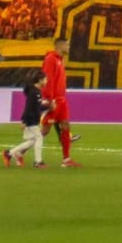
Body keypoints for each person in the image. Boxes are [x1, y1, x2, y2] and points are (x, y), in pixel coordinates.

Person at [42, 37, 80, 167]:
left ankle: (66, 159)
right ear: (61, 46)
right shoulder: (50, 59)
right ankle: (16, 152)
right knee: (45, 131)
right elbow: (48, 80)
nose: (69, 48)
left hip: (62, 100)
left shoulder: (60, 60)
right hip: (54, 100)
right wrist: (49, 99)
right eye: (67, 45)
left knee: (65, 126)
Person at [3, 70, 47, 168]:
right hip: (31, 120)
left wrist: (47, 107)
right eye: (45, 79)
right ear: (40, 80)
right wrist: (23, 121)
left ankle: (9, 153)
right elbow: (28, 107)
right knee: (39, 138)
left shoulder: (36, 92)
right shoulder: (34, 93)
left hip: (32, 119)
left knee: (32, 141)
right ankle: (38, 162)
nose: (46, 81)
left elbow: (37, 107)